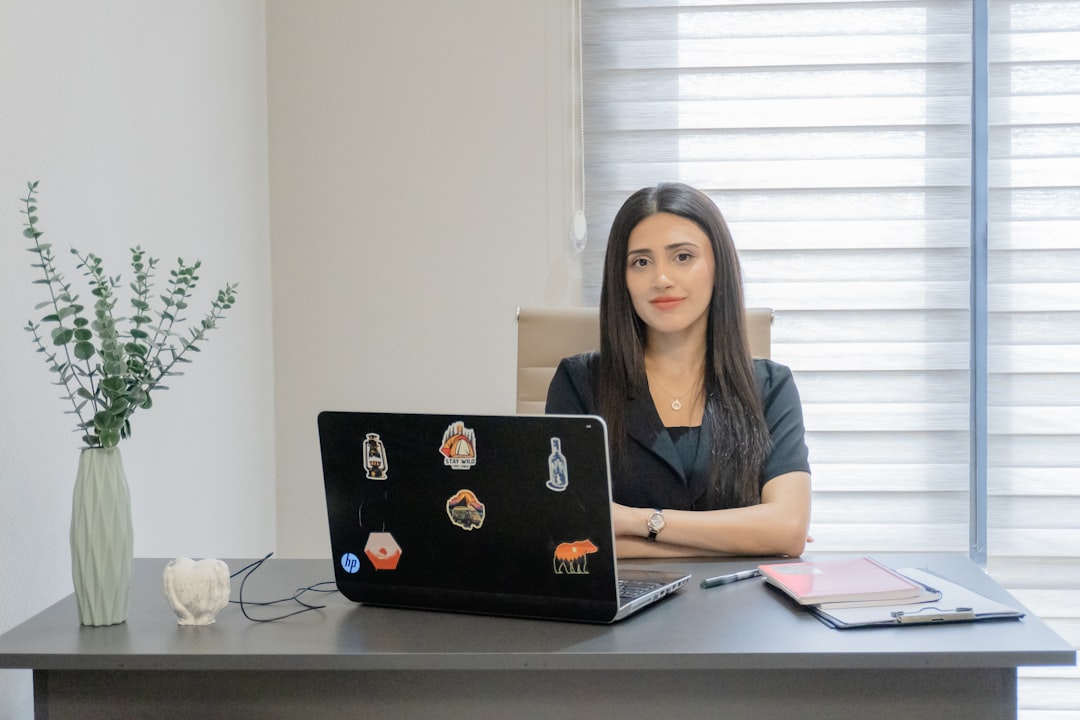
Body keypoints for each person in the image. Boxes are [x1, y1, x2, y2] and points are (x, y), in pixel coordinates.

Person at [546, 183, 811, 558]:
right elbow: (568, 532)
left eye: (683, 257)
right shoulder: (579, 384)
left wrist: (637, 522)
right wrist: (738, 541)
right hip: (622, 592)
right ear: (622, 278)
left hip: (739, 594)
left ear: (718, 267)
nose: (662, 279)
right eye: (641, 262)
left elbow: (787, 530)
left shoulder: (770, 387)